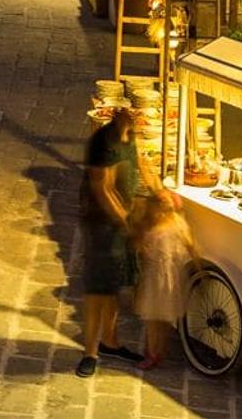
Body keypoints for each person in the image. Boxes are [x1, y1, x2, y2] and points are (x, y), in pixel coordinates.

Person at [77, 107, 144, 377]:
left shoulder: (130, 137)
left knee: (113, 286)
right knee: (98, 290)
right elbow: (102, 188)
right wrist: (124, 221)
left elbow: (141, 165)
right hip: (102, 227)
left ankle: (110, 341)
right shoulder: (102, 142)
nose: (136, 116)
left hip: (121, 223)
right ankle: (90, 352)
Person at [130, 188, 196, 372]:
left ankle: (151, 353)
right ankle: (159, 351)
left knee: (152, 320)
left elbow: (141, 249)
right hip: (172, 279)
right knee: (165, 319)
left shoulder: (154, 229)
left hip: (155, 280)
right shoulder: (179, 225)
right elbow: (191, 247)